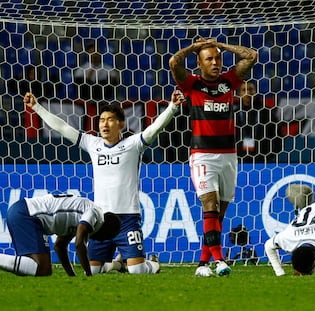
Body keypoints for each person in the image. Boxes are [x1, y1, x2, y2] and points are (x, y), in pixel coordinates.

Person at [23, 89, 186, 275]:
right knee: (94, 270)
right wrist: (36, 107)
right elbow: (62, 127)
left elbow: (155, 128)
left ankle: (153, 264)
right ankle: (118, 264)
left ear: (121, 124)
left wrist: (172, 107)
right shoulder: (92, 144)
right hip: (100, 221)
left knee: (138, 271)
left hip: (128, 218)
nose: (104, 124)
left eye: (109, 119)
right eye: (101, 120)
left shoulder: (133, 144)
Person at [169, 38, 258, 276]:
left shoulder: (229, 82)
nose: (215, 62)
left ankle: (202, 264)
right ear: (199, 63)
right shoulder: (192, 84)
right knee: (209, 204)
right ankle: (220, 261)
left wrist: (221, 45)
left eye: (217, 58)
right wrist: (194, 47)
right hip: (202, 155)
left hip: (229, 156)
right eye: (209, 59)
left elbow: (251, 55)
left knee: (219, 214)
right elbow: (174, 61)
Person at [0, 193, 120, 277]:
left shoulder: (81, 217)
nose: (103, 240)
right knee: (43, 268)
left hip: (24, 211)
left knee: (37, 268)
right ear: (107, 231)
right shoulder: (95, 214)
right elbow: (79, 244)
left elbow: (60, 246)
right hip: (27, 214)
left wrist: (72, 275)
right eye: (108, 237)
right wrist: (89, 274)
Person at [234, 80, 279, 163]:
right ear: (239, 93)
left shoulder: (267, 113)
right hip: (238, 161)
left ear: (256, 92)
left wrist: (269, 156)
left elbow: (278, 136)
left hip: (262, 161)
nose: (248, 93)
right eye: (244, 90)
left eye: (251, 89)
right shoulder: (234, 114)